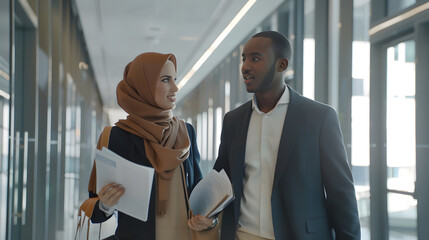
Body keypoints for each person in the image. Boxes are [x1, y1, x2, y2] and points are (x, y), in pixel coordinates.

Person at [211, 31, 361, 239]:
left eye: (256, 59)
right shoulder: (233, 121)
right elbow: (221, 182)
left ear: (281, 65)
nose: (245, 66)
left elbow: (341, 193)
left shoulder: (319, 117)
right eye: (244, 59)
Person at [85, 52, 214, 239]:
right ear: (143, 86)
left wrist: (210, 219)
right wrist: (106, 204)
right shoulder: (116, 137)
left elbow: (197, 195)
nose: (175, 88)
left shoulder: (186, 132)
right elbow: (95, 210)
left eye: (174, 79)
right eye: (165, 80)